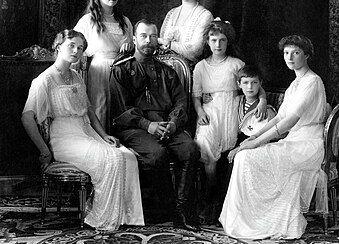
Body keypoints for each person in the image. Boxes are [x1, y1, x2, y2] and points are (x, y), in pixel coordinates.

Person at [21, 29, 144, 231]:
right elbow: (27, 117)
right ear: (58, 47)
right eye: (72, 46)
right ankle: (102, 217)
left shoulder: (77, 76)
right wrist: (44, 150)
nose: (77, 51)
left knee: (127, 157)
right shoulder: (44, 80)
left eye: (80, 48)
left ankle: (127, 216)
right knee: (112, 158)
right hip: (64, 137)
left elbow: (89, 110)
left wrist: (104, 135)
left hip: (86, 132)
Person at [219, 35, 328, 239]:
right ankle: (251, 219)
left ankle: (264, 221)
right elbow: (279, 117)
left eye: (295, 53)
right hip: (294, 142)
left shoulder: (312, 81)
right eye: (286, 53)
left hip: (308, 145)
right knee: (245, 156)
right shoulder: (296, 83)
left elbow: (290, 121)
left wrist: (256, 143)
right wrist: (252, 139)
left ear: (307, 55)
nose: (290, 57)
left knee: (245, 157)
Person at [110, 19, 200, 231]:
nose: (148, 41)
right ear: (134, 39)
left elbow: (180, 102)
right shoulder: (121, 70)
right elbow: (121, 110)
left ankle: (181, 210)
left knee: (190, 149)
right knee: (158, 154)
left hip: (167, 125)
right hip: (135, 128)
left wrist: (173, 123)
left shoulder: (168, 72)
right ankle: (165, 206)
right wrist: (147, 125)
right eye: (143, 36)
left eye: (152, 36)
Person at [192, 19, 267, 225]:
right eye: (214, 40)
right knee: (206, 149)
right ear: (207, 42)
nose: (218, 45)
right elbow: (196, 96)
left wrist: (262, 101)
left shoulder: (236, 64)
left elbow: (254, 85)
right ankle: (208, 197)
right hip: (210, 111)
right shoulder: (200, 67)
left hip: (232, 110)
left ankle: (224, 203)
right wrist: (199, 111)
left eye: (222, 40)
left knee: (229, 154)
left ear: (228, 42)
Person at [74, 0, 134, 132]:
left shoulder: (125, 22)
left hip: (121, 71)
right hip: (99, 71)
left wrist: (128, 49)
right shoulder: (88, 21)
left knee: (120, 108)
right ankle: (101, 141)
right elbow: (74, 45)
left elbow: (131, 49)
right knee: (100, 107)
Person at [159, 0, 213, 67]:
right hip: (164, 69)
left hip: (188, 70)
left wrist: (169, 44)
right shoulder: (171, 13)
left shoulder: (205, 16)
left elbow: (195, 51)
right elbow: (161, 41)